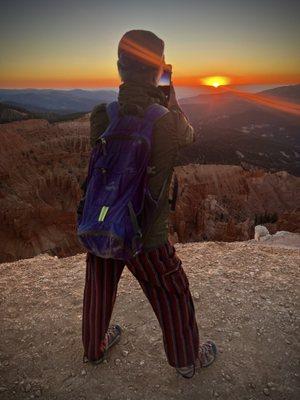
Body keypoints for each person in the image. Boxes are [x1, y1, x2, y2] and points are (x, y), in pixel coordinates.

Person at [82, 29, 217, 379]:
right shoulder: (167, 120)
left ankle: (93, 348)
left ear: (118, 67)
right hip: (147, 234)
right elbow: (189, 137)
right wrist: (168, 98)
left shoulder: (101, 114)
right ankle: (187, 360)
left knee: (98, 287)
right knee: (172, 293)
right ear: (159, 69)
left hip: (103, 222)